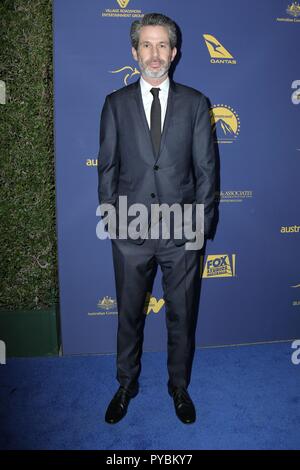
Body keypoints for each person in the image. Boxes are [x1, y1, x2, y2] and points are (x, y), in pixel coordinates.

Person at [97, 12, 216, 424]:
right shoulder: (114, 104)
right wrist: (113, 223)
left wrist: (200, 227)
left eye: (162, 44)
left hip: (182, 233)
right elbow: (107, 169)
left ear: (174, 52)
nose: (154, 53)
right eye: (146, 45)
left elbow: (206, 172)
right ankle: (125, 383)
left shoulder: (196, 104)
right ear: (134, 51)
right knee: (129, 314)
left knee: (182, 315)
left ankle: (178, 386)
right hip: (130, 232)